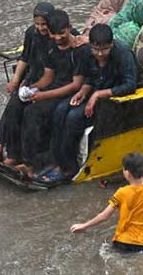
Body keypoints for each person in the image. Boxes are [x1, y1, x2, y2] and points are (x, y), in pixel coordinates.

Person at [40, 24, 138, 184]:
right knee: (60, 110)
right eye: (96, 49)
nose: (100, 54)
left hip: (114, 101)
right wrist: (83, 92)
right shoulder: (87, 52)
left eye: (104, 50)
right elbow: (89, 77)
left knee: (73, 117)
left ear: (112, 44)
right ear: (90, 46)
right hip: (94, 93)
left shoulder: (123, 54)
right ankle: (58, 160)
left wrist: (98, 95)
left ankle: (70, 167)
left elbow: (130, 85)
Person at [18, 9, 90, 177]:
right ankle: (26, 158)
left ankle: (35, 164)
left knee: (34, 113)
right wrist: (33, 89)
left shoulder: (78, 50)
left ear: (69, 28)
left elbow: (75, 85)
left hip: (70, 92)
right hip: (55, 87)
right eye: (54, 34)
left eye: (62, 34)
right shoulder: (51, 46)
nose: (58, 38)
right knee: (24, 107)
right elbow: (48, 76)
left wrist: (43, 96)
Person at [0, 2, 54, 164]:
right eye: (37, 24)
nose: (41, 28)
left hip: (51, 86)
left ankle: (28, 160)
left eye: (44, 24)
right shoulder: (31, 34)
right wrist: (16, 80)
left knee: (30, 114)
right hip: (33, 81)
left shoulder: (57, 36)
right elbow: (24, 58)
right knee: (13, 107)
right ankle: (9, 152)